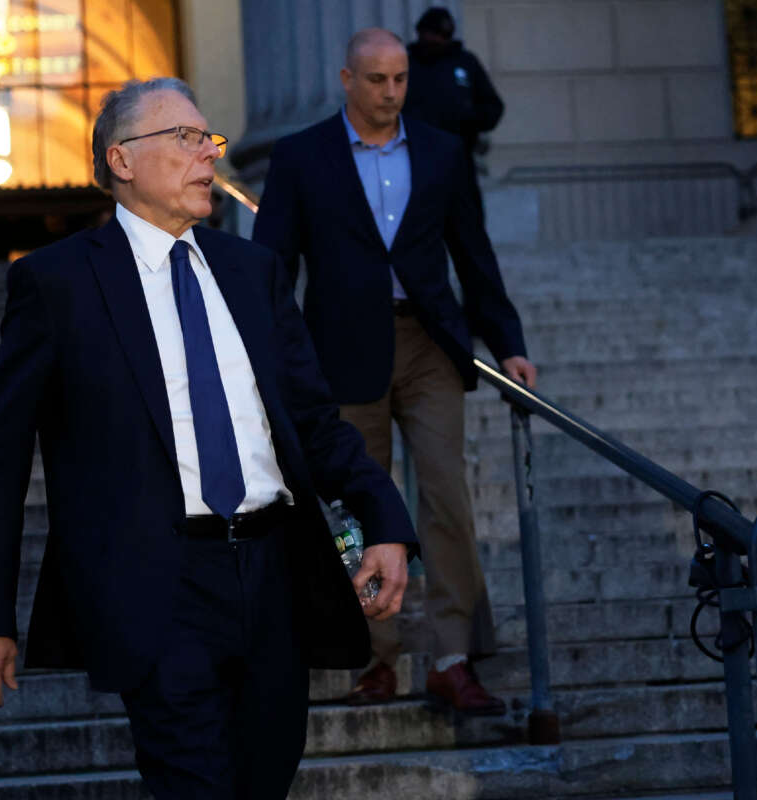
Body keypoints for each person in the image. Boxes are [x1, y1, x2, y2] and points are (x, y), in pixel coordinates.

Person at [0, 76, 417, 799]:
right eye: (187, 138)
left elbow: (315, 424)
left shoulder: (252, 271)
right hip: (157, 589)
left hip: (275, 576)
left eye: (211, 139)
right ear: (122, 160)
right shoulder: (58, 284)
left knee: (265, 780)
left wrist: (384, 520)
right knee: (193, 785)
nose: (210, 154)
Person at [252, 29, 536, 716]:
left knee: (446, 498)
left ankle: (451, 658)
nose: (390, 93)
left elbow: (474, 252)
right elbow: (272, 268)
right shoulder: (300, 156)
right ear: (347, 79)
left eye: (400, 79)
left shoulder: (440, 151)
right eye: (377, 80)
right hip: (340, 356)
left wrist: (507, 341)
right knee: (353, 513)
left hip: (432, 346)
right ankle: (373, 655)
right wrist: (270, 361)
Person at [404, 7, 503, 216]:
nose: (438, 40)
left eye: (444, 35)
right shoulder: (404, 65)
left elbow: (492, 105)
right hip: (413, 160)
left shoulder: (465, 62)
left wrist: (470, 119)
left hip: (458, 159)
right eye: (434, 33)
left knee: (468, 227)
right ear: (421, 32)